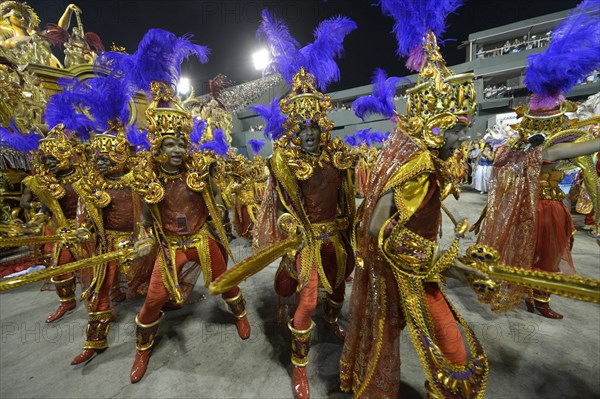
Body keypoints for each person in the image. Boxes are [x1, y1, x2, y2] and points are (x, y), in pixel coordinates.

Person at [340, 2, 488, 398]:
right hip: (402, 270)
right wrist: (433, 259)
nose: (463, 139)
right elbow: (374, 225)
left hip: (420, 265)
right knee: (439, 346)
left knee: (440, 341)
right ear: (437, 131)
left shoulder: (430, 160)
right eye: (457, 130)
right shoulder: (416, 165)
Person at [251, 10, 357, 398]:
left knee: (340, 291)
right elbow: (277, 206)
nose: (310, 134)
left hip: (336, 237)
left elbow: (348, 196)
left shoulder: (338, 156)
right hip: (306, 240)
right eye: (303, 129)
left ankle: (333, 321)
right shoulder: (284, 161)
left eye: (315, 128)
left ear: (323, 127)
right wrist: (288, 227)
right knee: (308, 299)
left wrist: (352, 227)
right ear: (295, 129)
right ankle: (299, 368)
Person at [474, 0, 600, 319]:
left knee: (530, 251)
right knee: (548, 254)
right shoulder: (551, 148)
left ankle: (530, 293)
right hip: (546, 210)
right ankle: (538, 298)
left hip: (528, 207)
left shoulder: (522, 145)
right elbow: (587, 147)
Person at [20, 124, 89, 323]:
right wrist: (36, 221)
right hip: (63, 230)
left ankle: (100, 303)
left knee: (94, 270)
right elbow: (46, 208)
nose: (49, 163)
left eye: (52, 157)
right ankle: (67, 301)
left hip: (87, 230)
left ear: (65, 154)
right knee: (60, 266)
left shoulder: (85, 176)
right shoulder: (48, 182)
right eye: (45, 159)